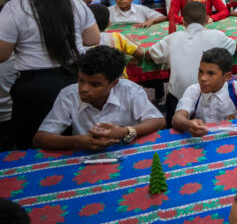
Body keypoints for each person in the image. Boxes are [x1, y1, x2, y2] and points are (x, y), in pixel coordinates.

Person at [0, 0, 101, 148]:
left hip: (35, 87)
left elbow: (2, 54)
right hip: (75, 80)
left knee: (35, 144)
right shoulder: (74, 3)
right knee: (77, 139)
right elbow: (92, 38)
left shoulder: (15, 8)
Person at [33, 46, 164, 151]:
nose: (84, 89)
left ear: (114, 83)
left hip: (128, 151)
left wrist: (125, 132)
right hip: (85, 155)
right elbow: (40, 139)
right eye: (81, 80)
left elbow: (158, 121)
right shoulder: (69, 95)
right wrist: (79, 141)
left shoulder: (130, 90)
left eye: (95, 84)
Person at [149, 1, 237, 126]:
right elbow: (235, 48)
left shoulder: (172, 38)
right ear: (206, 19)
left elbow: (152, 54)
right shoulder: (217, 36)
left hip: (178, 100)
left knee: (177, 135)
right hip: (211, 98)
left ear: (183, 21)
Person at [172, 48, 237, 135]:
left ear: (227, 76)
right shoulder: (194, 91)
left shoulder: (236, 89)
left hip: (233, 138)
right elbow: (177, 119)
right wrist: (188, 124)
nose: (203, 78)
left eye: (211, 73)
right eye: (200, 71)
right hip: (203, 140)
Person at [90, 3, 145, 70]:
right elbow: (140, 53)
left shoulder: (80, 41)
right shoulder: (117, 37)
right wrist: (130, 38)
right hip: (119, 79)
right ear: (109, 23)